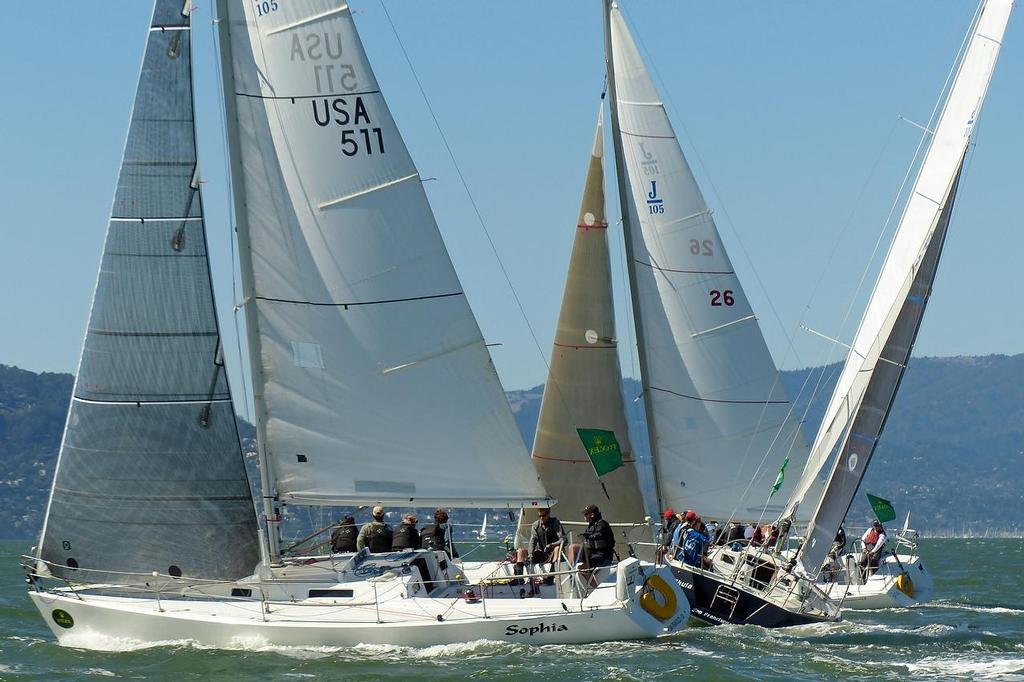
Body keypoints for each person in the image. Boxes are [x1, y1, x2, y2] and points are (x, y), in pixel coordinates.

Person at [569, 504, 615, 569]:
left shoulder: (602, 524)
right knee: (573, 547)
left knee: (582, 567)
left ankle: (592, 579)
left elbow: (599, 534)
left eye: (586, 514)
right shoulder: (591, 526)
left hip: (603, 556)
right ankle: (570, 574)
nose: (584, 516)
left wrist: (587, 536)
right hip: (593, 554)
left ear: (592, 515)